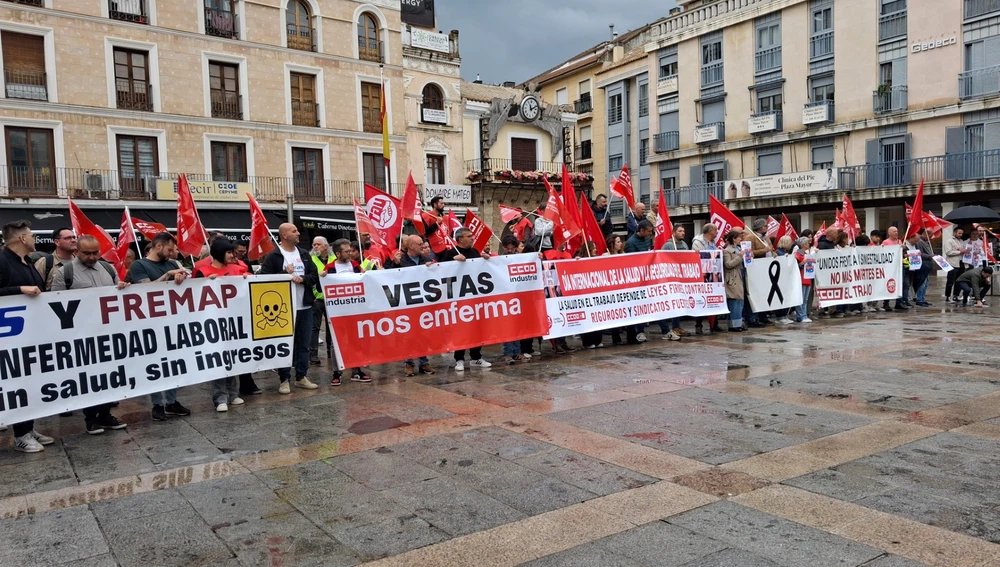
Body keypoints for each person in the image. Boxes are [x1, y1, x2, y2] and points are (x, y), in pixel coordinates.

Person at [51, 235, 131, 433]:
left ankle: (105, 415)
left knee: (108, 376)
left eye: (96, 252)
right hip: (82, 335)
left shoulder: (107, 268)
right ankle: (90, 418)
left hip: (108, 333)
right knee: (89, 378)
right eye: (87, 253)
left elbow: (117, 293)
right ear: (76, 252)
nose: (93, 257)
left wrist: (122, 288)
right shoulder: (65, 273)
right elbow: (54, 304)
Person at [0, 221, 56, 451]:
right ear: (22, 239)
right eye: (32, 235)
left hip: (32, 333)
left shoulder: (29, 262)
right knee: (17, 383)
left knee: (30, 382)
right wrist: (19, 290)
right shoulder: (2, 262)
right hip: (10, 337)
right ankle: (20, 435)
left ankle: (28, 427)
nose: (35, 238)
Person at [128, 232, 194, 421]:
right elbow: (145, 290)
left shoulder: (173, 264)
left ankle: (172, 401)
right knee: (155, 366)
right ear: (158, 246)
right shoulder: (139, 265)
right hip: (150, 324)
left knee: (173, 364)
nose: (173, 253)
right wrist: (167, 275)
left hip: (171, 322)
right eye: (169, 249)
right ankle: (157, 404)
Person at [258, 223, 321, 394]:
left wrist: (303, 279)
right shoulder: (274, 256)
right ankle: (284, 378)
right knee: (284, 344)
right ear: (284, 235)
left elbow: (314, 276)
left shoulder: (303, 254)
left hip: (304, 305)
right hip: (283, 309)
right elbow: (264, 279)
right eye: (294, 231)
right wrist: (283, 273)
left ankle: (301, 376)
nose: (298, 233)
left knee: (303, 343)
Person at [192, 239, 251, 411]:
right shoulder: (202, 271)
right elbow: (194, 294)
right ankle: (220, 397)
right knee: (218, 359)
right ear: (219, 253)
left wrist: (247, 280)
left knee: (233, 357)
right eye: (229, 252)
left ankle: (233, 393)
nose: (233, 256)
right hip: (213, 321)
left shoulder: (238, 269)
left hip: (235, 321)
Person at [440, 228, 493, 370]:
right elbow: (440, 269)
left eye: (472, 235)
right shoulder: (452, 253)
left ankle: (476, 357)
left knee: (476, 328)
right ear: (460, 239)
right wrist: (453, 260)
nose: (472, 238)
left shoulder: (475, 252)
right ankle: (459, 359)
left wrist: (485, 260)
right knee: (461, 329)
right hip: (458, 298)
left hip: (474, 296)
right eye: (469, 236)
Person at [324, 239, 372, 385]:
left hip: (355, 309)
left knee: (356, 339)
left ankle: (356, 371)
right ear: (338, 253)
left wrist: (366, 275)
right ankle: (337, 372)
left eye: (351, 250)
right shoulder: (330, 267)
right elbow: (321, 289)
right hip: (337, 311)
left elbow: (365, 282)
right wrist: (323, 278)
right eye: (347, 251)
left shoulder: (355, 265)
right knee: (336, 341)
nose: (350, 253)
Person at [397, 235, 438, 376]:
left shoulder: (426, 260)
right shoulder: (400, 260)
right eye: (420, 244)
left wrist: (432, 269)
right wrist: (394, 265)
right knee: (408, 335)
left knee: (423, 334)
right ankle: (409, 362)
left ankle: (424, 361)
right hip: (406, 304)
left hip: (423, 303)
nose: (423, 246)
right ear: (411, 246)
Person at [658, 224, 688, 341]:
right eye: (680, 231)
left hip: (680, 279)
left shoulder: (684, 245)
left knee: (678, 302)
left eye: (684, 231)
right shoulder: (668, 246)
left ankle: (676, 326)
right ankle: (667, 328)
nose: (683, 233)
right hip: (670, 279)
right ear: (674, 233)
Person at [691, 223, 721, 334]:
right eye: (715, 230)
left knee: (714, 300)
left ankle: (714, 324)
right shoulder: (698, 243)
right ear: (709, 231)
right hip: (702, 276)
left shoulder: (713, 243)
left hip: (713, 275)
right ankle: (698, 325)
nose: (717, 232)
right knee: (701, 300)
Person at [309, 236, 333, 366]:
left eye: (318, 244)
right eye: (314, 244)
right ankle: (313, 355)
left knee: (331, 327)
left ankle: (331, 352)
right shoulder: (310, 259)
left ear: (325, 246)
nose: (315, 247)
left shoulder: (334, 259)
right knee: (315, 328)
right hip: (316, 299)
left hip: (332, 298)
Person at [722, 229, 746, 332]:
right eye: (739, 237)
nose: (741, 238)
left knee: (740, 302)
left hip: (740, 276)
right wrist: (740, 256)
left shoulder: (739, 248)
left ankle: (738, 323)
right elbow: (728, 264)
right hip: (732, 278)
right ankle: (733, 325)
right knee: (734, 302)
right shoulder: (727, 251)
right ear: (734, 239)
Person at [792, 236, 813, 323]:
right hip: (801, 278)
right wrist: (802, 263)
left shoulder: (806, 255)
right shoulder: (797, 254)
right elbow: (795, 267)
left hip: (807, 278)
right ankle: (801, 316)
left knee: (805, 299)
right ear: (804, 245)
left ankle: (803, 315)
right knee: (801, 299)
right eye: (807, 243)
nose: (809, 244)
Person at [944, 227, 967, 303]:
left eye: (961, 233)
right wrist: (959, 252)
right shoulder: (949, 241)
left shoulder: (961, 241)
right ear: (955, 233)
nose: (960, 235)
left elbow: (964, 250)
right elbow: (948, 252)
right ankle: (947, 296)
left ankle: (955, 295)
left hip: (961, 262)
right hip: (952, 263)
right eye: (959, 233)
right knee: (950, 281)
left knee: (959, 280)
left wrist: (963, 251)